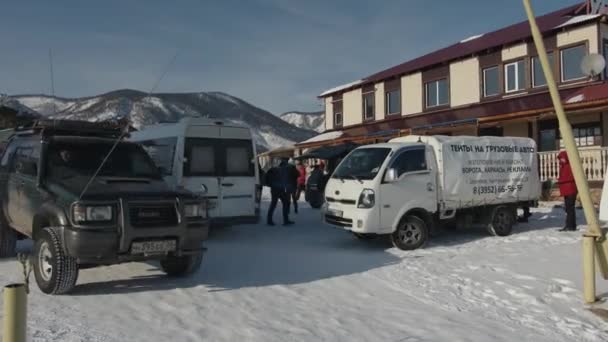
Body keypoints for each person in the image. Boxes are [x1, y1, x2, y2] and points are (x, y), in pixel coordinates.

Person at [266, 158, 296, 226]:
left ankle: (269, 220)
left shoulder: (274, 169)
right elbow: (285, 181)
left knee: (273, 204)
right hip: (281, 189)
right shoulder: (284, 170)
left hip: (274, 189)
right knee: (285, 204)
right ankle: (286, 220)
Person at [557, 150, 577, 231]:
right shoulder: (563, 166)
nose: (561, 160)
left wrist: (560, 180)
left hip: (570, 189)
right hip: (567, 189)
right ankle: (570, 225)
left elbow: (567, 177)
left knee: (570, 208)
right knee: (569, 208)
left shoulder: (569, 166)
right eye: (560, 158)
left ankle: (570, 226)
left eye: (562, 158)